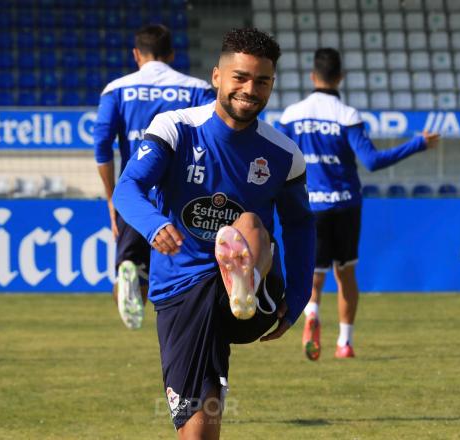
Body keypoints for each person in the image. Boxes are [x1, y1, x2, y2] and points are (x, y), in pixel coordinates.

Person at [113, 28, 315, 438]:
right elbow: (126, 188)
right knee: (200, 422)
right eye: (240, 77)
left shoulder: (284, 154)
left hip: (252, 299)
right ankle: (236, 278)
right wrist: (156, 225)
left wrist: (296, 300)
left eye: (262, 81)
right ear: (217, 77)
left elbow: (300, 226)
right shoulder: (176, 128)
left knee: (248, 224)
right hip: (182, 291)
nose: (250, 89)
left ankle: (245, 282)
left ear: (272, 84)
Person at [278, 48, 440, 360]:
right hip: (345, 205)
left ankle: (311, 311)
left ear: (313, 76)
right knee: (346, 274)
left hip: (311, 205)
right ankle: (345, 342)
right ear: (340, 77)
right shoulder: (347, 115)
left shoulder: (291, 115)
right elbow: (373, 161)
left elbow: (282, 156)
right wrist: (417, 144)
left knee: (314, 273)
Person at [93, 24, 216, 330]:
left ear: (136, 54)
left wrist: (112, 198)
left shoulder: (117, 89)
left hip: (136, 193)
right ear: (171, 54)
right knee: (187, 266)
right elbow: (213, 137)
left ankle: (129, 270)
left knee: (130, 262)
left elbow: (102, 144)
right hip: (183, 194)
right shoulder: (197, 88)